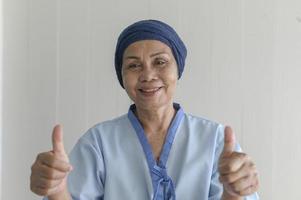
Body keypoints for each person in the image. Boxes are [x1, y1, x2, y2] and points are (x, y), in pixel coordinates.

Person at [30, 19, 259, 200]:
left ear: (178, 69)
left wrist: (234, 195)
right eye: (133, 65)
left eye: (160, 62)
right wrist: (58, 192)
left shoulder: (214, 140)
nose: (148, 75)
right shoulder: (98, 143)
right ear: (122, 76)